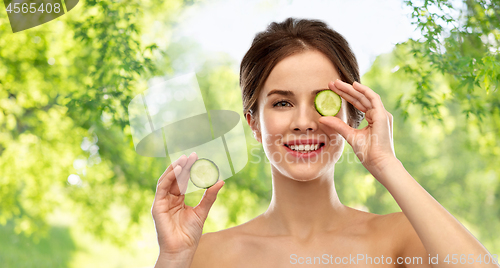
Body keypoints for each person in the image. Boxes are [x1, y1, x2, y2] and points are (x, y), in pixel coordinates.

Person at [151, 17, 498, 267]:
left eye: (322, 102)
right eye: (282, 103)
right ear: (254, 124)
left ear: (354, 115)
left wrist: (387, 164)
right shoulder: (205, 256)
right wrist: (173, 258)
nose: (303, 123)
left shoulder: (400, 239)